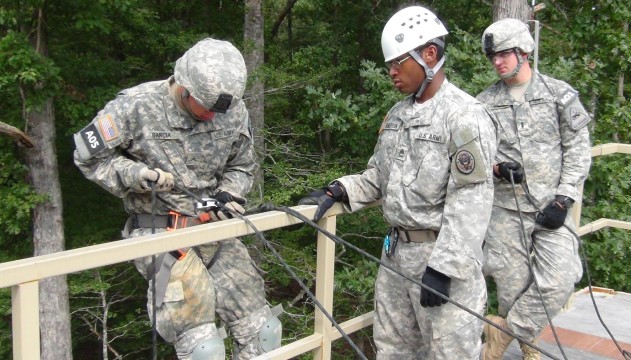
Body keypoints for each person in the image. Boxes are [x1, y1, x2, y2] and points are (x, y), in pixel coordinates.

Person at [300, 6, 497, 359]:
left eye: (398, 63)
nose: (391, 72)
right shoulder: (398, 114)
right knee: (392, 351)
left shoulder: (464, 115)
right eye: (388, 64)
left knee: (449, 353)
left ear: (430, 55)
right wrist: (339, 190)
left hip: (441, 261)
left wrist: (444, 268)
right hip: (395, 258)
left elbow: (472, 199)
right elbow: (377, 177)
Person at [73, 38, 282, 360]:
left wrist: (228, 194)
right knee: (203, 348)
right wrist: (136, 176)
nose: (213, 116)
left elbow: (242, 165)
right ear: (184, 90)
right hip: (162, 232)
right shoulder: (135, 106)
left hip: (213, 230)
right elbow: (88, 158)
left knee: (264, 331)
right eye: (207, 108)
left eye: (219, 109)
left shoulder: (232, 110)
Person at [476, 18, 591, 360]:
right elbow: (473, 155)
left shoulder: (560, 94)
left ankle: (503, 333)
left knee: (561, 278)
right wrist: (496, 168)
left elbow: (578, 147)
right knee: (513, 288)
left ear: (525, 51)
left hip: (552, 207)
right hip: (506, 210)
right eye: (493, 57)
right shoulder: (482, 103)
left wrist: (565, 196)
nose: (498, 62)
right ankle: (529, 346)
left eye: (504, 54)